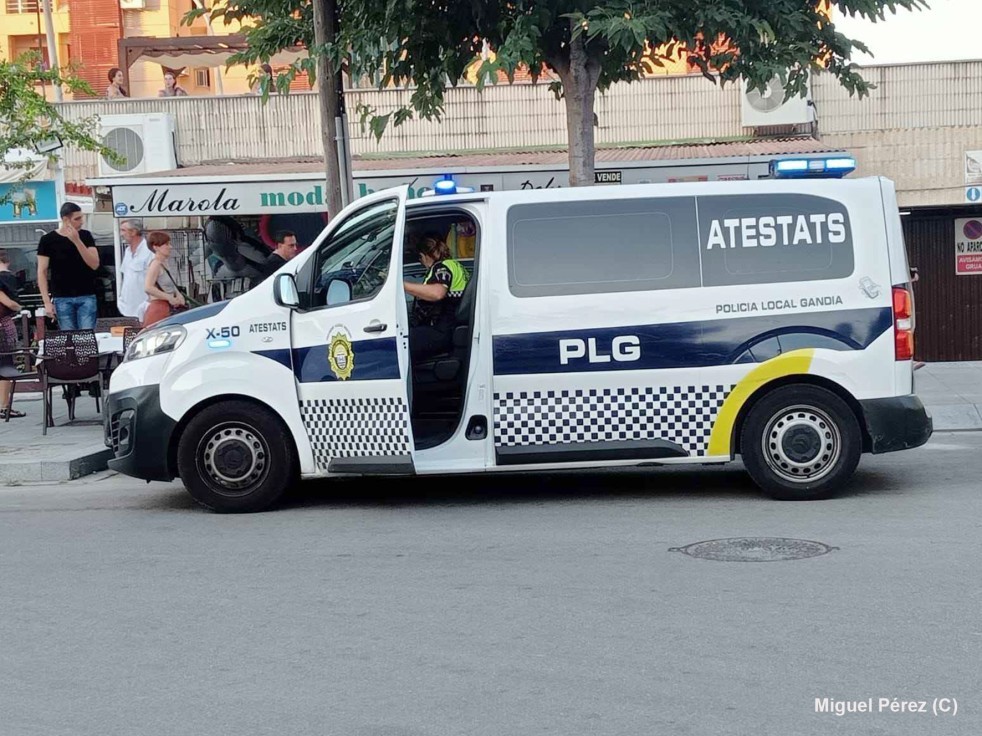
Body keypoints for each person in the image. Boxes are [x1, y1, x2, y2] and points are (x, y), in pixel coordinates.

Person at [403, 234, 470, 362]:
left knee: (401, 341)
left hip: (443, 330)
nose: (421, 262)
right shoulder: (455, 265)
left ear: (425, 255)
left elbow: (437, 293)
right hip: (453, 327)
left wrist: (402, 285)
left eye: (420, 258)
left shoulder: (441, 268)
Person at [37, 202, 100, 330]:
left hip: (86, 293)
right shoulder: (48, 240)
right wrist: (47, 302)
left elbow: (94, 264)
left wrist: (77, 241)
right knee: (68, 338)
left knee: (86, 337)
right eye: (77, 219)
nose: (81, 222)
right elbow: (41, 272)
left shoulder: (86, 236)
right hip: (62, 296)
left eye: (81, 217)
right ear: (66, 220)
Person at [0, 250, 25, 419]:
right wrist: (20, 307)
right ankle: (3, 406)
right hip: (2, 325)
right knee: (5, 365)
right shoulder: (4, 278)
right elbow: (7, 302)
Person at [143, 232, 186, 328]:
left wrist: (178, 294)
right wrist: (169, 297)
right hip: (158, 309)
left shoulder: (164, 263)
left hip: (168, 307)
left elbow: (169, 284)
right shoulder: (155, 264)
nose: (170, 247)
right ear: (156, 247)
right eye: (166, 244)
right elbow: (148, 287)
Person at [117, 219, 153, 321]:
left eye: (123, 230)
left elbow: (156, 279)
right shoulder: (128, 251)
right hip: (127, 308)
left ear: (133, 232)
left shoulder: (149, 252)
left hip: (144, 309)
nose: (121, 234)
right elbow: (126, 277)